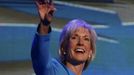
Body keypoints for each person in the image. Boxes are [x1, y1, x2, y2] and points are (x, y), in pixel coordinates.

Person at [31, 0, 97, 75]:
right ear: (63, 48)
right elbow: (41, 59)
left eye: (86, 39)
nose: (81, 43)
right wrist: (44, 25)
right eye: (74, 37)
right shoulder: (54, 71)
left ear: (90, 52)